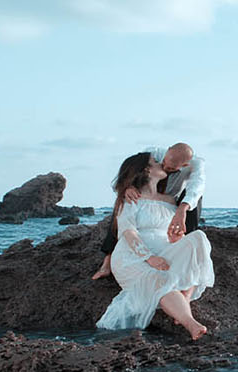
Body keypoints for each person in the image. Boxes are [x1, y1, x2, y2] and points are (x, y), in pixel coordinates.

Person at [96, 150, 215, 338]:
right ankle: (190, 323)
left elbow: (171, 231)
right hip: (133, 255)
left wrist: (176, 239)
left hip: (164, 250)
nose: (160, 163)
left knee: (198, 238)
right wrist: (149, 257)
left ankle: (185, 298)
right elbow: (128, 231)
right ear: (146, 170)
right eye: (155, 162)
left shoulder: (170, 199)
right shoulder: (131, 198)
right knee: (160, 281)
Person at [92, 142, 205, 280]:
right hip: (147, 191)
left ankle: (185, 242)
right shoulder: (153, 154)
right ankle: (108, 259)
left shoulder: (196, 165)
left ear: (185, 165)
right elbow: (131, 170)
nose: (164, 167)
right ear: (168, 150)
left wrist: (182, 209)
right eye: (164, 162)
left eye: (170, 168)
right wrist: (128, 187)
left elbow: (196, 188)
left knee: (196, 198)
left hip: (173, 198)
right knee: (125, 205)